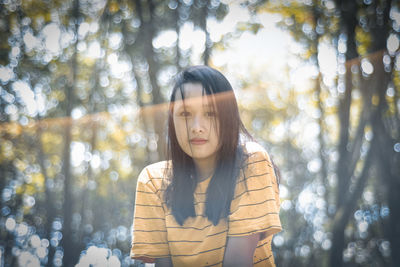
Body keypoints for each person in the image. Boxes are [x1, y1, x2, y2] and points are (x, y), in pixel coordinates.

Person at [130, 65, 282, 266]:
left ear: (228, 118)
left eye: (210, 113)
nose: (197, 127)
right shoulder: (153, 180)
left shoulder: (251, 162)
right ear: (172, 120)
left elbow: (238, 262)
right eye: (185, 114)